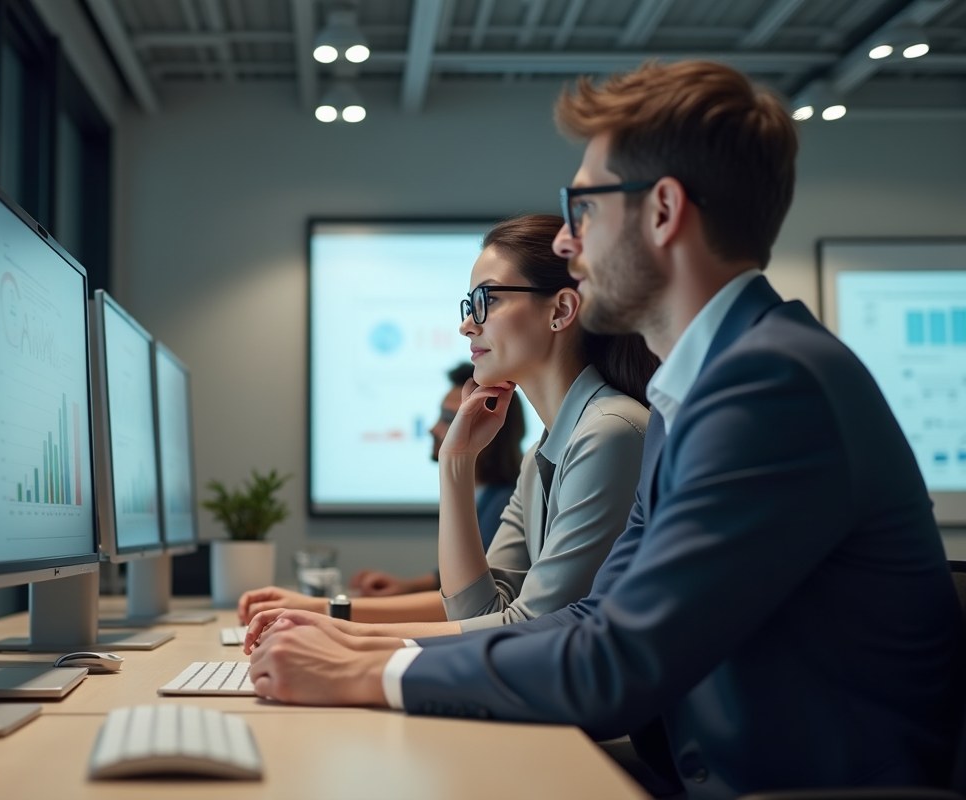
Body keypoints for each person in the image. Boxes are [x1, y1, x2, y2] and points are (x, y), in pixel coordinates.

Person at [243, 60, 966, 798]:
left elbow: (617, 663)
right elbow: (593, 618)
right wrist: (356, 639)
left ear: (662, 211)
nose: (565, 241)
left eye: (582, 205)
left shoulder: (770, 384)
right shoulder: (696, 392)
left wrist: (371, 668)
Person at [239, 215, 657, 632]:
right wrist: (456, 461)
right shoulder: (541, 457)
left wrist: (340, 634)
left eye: (486, 300)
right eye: (468, 304)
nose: (466, 324)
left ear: (561, 310)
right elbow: (482, 615)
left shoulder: (610, 432)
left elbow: (521, 632)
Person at [350, 362, 523, 598]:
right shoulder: (484, 496)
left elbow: (472, 597)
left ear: (492, 428)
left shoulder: (506, 503)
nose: (433, 429)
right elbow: (462, 578)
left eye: (447, 418)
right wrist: (406, 586)